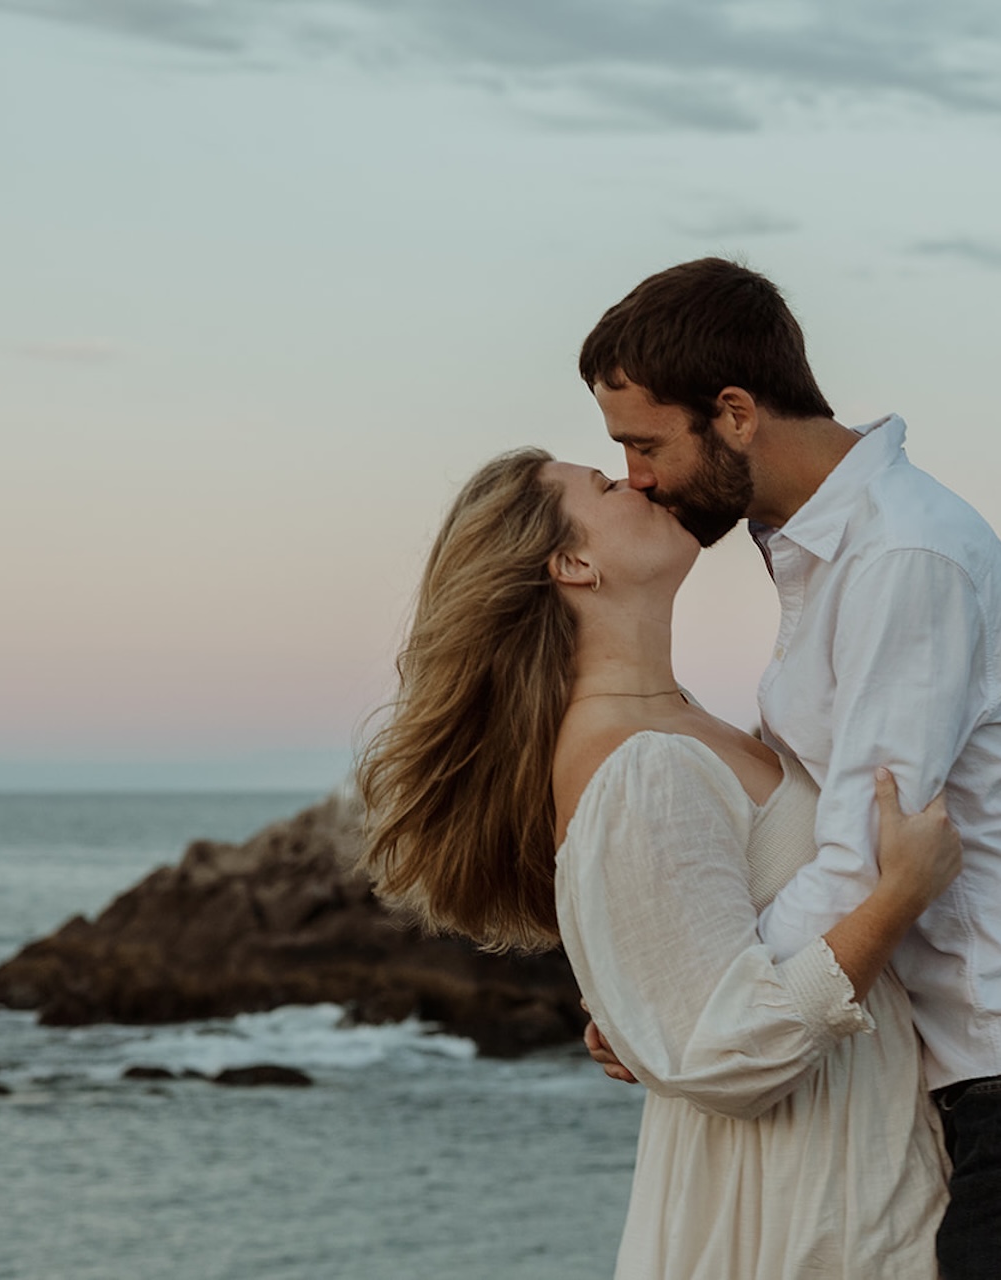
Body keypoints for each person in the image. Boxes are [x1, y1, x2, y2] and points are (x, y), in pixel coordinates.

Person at [578, 258, 1001, 1279]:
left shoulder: (903, 554)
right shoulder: (827, 548)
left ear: (733, 411)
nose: (638, 477)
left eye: (645, 443)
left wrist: (698, 1001)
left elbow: (869, 851)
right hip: (992, 1076)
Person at [356, 448, 960, 1279]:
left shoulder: (683, 726)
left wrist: (642, 1020)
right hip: (799, 1215)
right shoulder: (639, 764)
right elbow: (726, 1053)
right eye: (605, 486)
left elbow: (694, 996)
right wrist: (897, 899)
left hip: (841, 1176)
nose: (637, 479)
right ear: (574, 564)